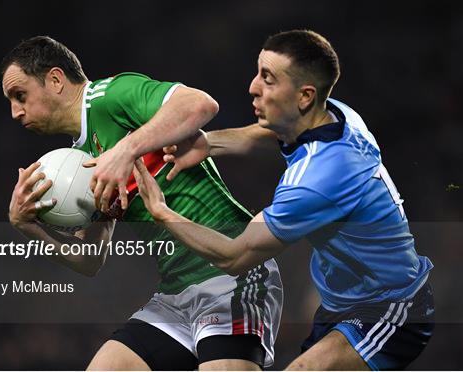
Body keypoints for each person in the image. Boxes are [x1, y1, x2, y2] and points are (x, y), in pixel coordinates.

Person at [133, 29, 435, 370]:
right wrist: (210, 143)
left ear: (304, 96)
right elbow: (274, 134)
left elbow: (234, 257)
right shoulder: (337, 113)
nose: (253, 87)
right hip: (341, 306)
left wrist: (162, 212)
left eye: (268, 79)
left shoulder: (318, 179)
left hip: (391, 309)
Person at [0, 36, 283, 370]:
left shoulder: (111, 95)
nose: (15, 112)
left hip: (231, 274)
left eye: (20, 96)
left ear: (56, 80)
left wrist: (125, 149)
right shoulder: (81, 159)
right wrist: (27, 226)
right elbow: (91, 260)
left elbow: (200, 105)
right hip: (176, 295)